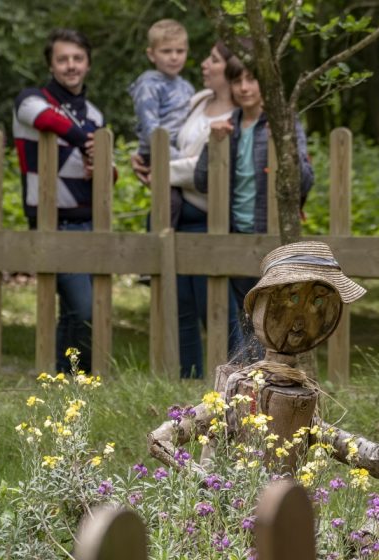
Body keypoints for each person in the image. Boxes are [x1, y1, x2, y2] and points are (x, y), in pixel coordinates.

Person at [193, 41, 315, 363]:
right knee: (244, 317)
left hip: (270, 237)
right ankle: (246, 385)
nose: (245, 87)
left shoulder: (283, 122)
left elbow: (305, 180)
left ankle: (269, 382)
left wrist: (283, 141)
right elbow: (202, 181)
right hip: (234, 234)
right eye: (237, 80)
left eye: (252, 79)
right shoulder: (228, 126)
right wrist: (212, 142)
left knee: (272, 317)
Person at [132, 40, 237, 379]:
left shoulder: (236, 116)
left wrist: (160, 169)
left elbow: (209, 170)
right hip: (178, 218)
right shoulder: (199, 101)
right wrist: (148, 161)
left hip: (212, 221)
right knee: (180, 312)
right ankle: (186, 383)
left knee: (220, 313)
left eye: (214, 59)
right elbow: (170, 145)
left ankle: (239, 388)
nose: (204, 64)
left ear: (232, 67)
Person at [13, 28, 111, 373]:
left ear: (88, 63)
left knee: (82, 310)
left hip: (88, 220)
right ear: (51, 65)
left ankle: (68, 378)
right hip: (51, 220)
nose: (71, 66)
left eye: (78, 58)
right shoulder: (30, 99)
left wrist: (100, 166)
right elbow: (46, 121)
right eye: (63, 59)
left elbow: (107, 173)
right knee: (82, 309)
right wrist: (87, 141)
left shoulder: (96, 115)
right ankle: (73, 376)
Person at [128, 19, 195, 229]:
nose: (174, 57)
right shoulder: (148, 84)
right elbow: (151, 127)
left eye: (179, 50)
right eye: (166, 51)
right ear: (151, 54)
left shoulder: (186, 87)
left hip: (179, 153)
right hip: (158, 153)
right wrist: (177, 157)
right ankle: (157, 244)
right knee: (170, 201)